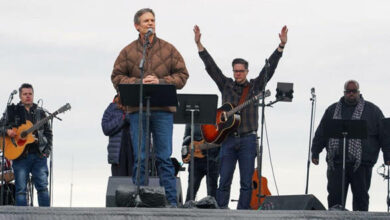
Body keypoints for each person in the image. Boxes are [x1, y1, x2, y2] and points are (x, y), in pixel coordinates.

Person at [193, 25, 288, 209]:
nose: (237, 74)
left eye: (241, 71)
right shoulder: (226, 84)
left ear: (247, 71)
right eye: (235, 71)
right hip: (228, 140)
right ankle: (221, 212)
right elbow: (211, 67)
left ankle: (242, 214)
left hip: (248, 139)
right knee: (224, 181)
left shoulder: (255, 86)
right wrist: (199, 45)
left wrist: (280, 47)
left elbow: (270, 68)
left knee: (246, 182)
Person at [111, 8, 189, 206]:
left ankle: (171, 203)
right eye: (146, 21)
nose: (150, 23)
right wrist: (138, 82)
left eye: (152, 20)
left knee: (164, 158)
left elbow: (183, 76)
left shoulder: (169, 49)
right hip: (138, 111)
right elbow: (116, 77)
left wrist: (161, 81)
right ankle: (141, 201)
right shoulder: (127, 51)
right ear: (137, 26)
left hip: (163, 111)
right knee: (141, 157)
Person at [311, 80, 390, 211]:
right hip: (336, 162)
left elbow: (385, 135)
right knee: (335, 199)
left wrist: (387, 155)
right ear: (344, 93)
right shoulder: (332, 110)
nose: (351, 94)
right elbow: (321, 132)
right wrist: (315, 152)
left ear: (359, 92)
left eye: (354, 91)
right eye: (348, 91)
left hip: (362, 164)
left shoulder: (373, 111)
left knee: (361, 199)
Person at [2, 83, 52, 206]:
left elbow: (48, 133)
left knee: (43, 188)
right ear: (20, 96)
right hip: (20, 156)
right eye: (25, 94)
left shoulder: (40, 113)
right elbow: (0, 126)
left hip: (39, 155)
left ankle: (46, 216)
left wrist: (47, 152)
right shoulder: (12, 111)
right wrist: (7, 131)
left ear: (33, 95)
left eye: (30, 94)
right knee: (20, 191)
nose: (28, 96)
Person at [181, 124, 220, 202]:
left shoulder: (218, 116)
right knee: (191, 190)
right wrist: (189, 148)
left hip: (213, 159)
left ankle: (214, 211)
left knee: (212, 191)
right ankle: (187, 211)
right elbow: (186, 137)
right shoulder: (192, 116)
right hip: (195, 160)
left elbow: (221, 138)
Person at [101, 94, 133, 176]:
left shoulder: (137, 107)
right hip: (118, 156)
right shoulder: (111, 109)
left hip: (135, 155)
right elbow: (106, 128)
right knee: (118, 184)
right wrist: (123, 119)